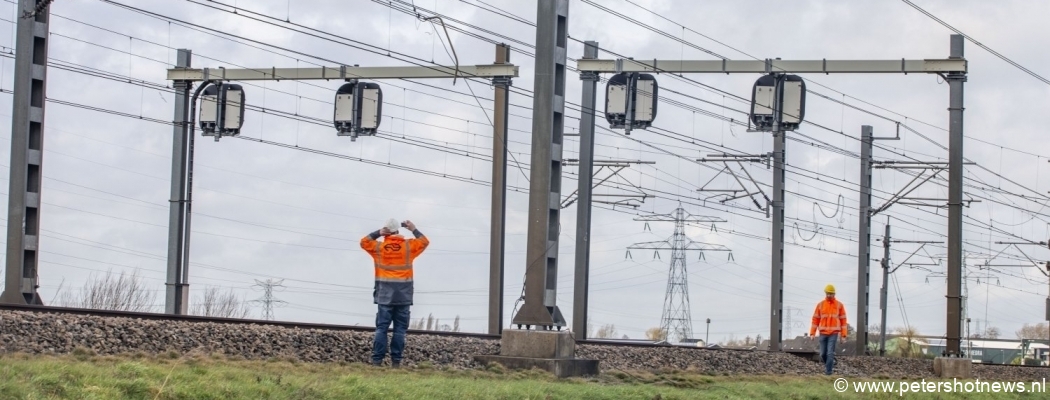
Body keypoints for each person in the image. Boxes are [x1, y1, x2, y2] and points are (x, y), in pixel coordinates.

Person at [360, 218, 429, 367]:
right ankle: (396, 362)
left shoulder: (379, 248)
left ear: (386, 232)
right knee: (400, 330)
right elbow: (424, 242)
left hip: (384, 295)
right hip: (403, 295)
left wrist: (378, 232)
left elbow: (364, 242)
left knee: (381, 328)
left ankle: (377, 361)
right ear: (398, 231)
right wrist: (413, 229)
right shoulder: (408, 247)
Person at [809, 284, 847, 375]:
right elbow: (815, 319)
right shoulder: (820, 305)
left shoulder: (839, 305)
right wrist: (812, 333)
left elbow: (843, 321)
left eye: (831, 294)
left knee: (830, 353)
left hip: (833, 333)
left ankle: (828, 372)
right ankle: (831, 363)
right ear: (825, 294)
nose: (829, 295)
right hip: (823, 333)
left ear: (834, 294)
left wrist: (843, 335)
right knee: (822, 354)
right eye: (827, 294)